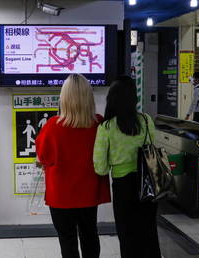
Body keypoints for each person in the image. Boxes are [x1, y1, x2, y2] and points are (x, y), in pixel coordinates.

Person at [36, 74, 111, 258]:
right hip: (89, 193)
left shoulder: (52, 126)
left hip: (60, 195)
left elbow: (43, 158)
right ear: (88, 97)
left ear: (64, 98)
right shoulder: (99, 123)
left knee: (67, 239)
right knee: (90, 235)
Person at [93, 76, 161, 258]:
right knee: (149, 233)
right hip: (148, 184)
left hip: (123, 187)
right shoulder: (146, 120)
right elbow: (152, 151)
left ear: (112, 99)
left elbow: (100, 168)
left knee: (127, 235)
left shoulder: (106, 127)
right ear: (134, 98)